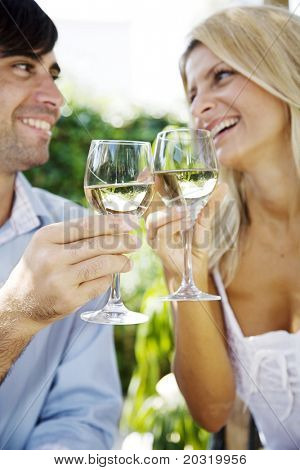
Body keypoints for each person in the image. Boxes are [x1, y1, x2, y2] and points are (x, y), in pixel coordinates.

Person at [146, 5, 300, 450]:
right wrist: (183, 270)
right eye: (191, 93)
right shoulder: (212, 241)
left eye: (222, 76)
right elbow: (211, 410)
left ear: (284, 71)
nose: (200, 106)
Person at [0, 0, 140, 450]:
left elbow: (83, 417)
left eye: (53, 75)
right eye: (23, 66)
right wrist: (15, 318)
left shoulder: (74, 232)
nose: (56, 99)